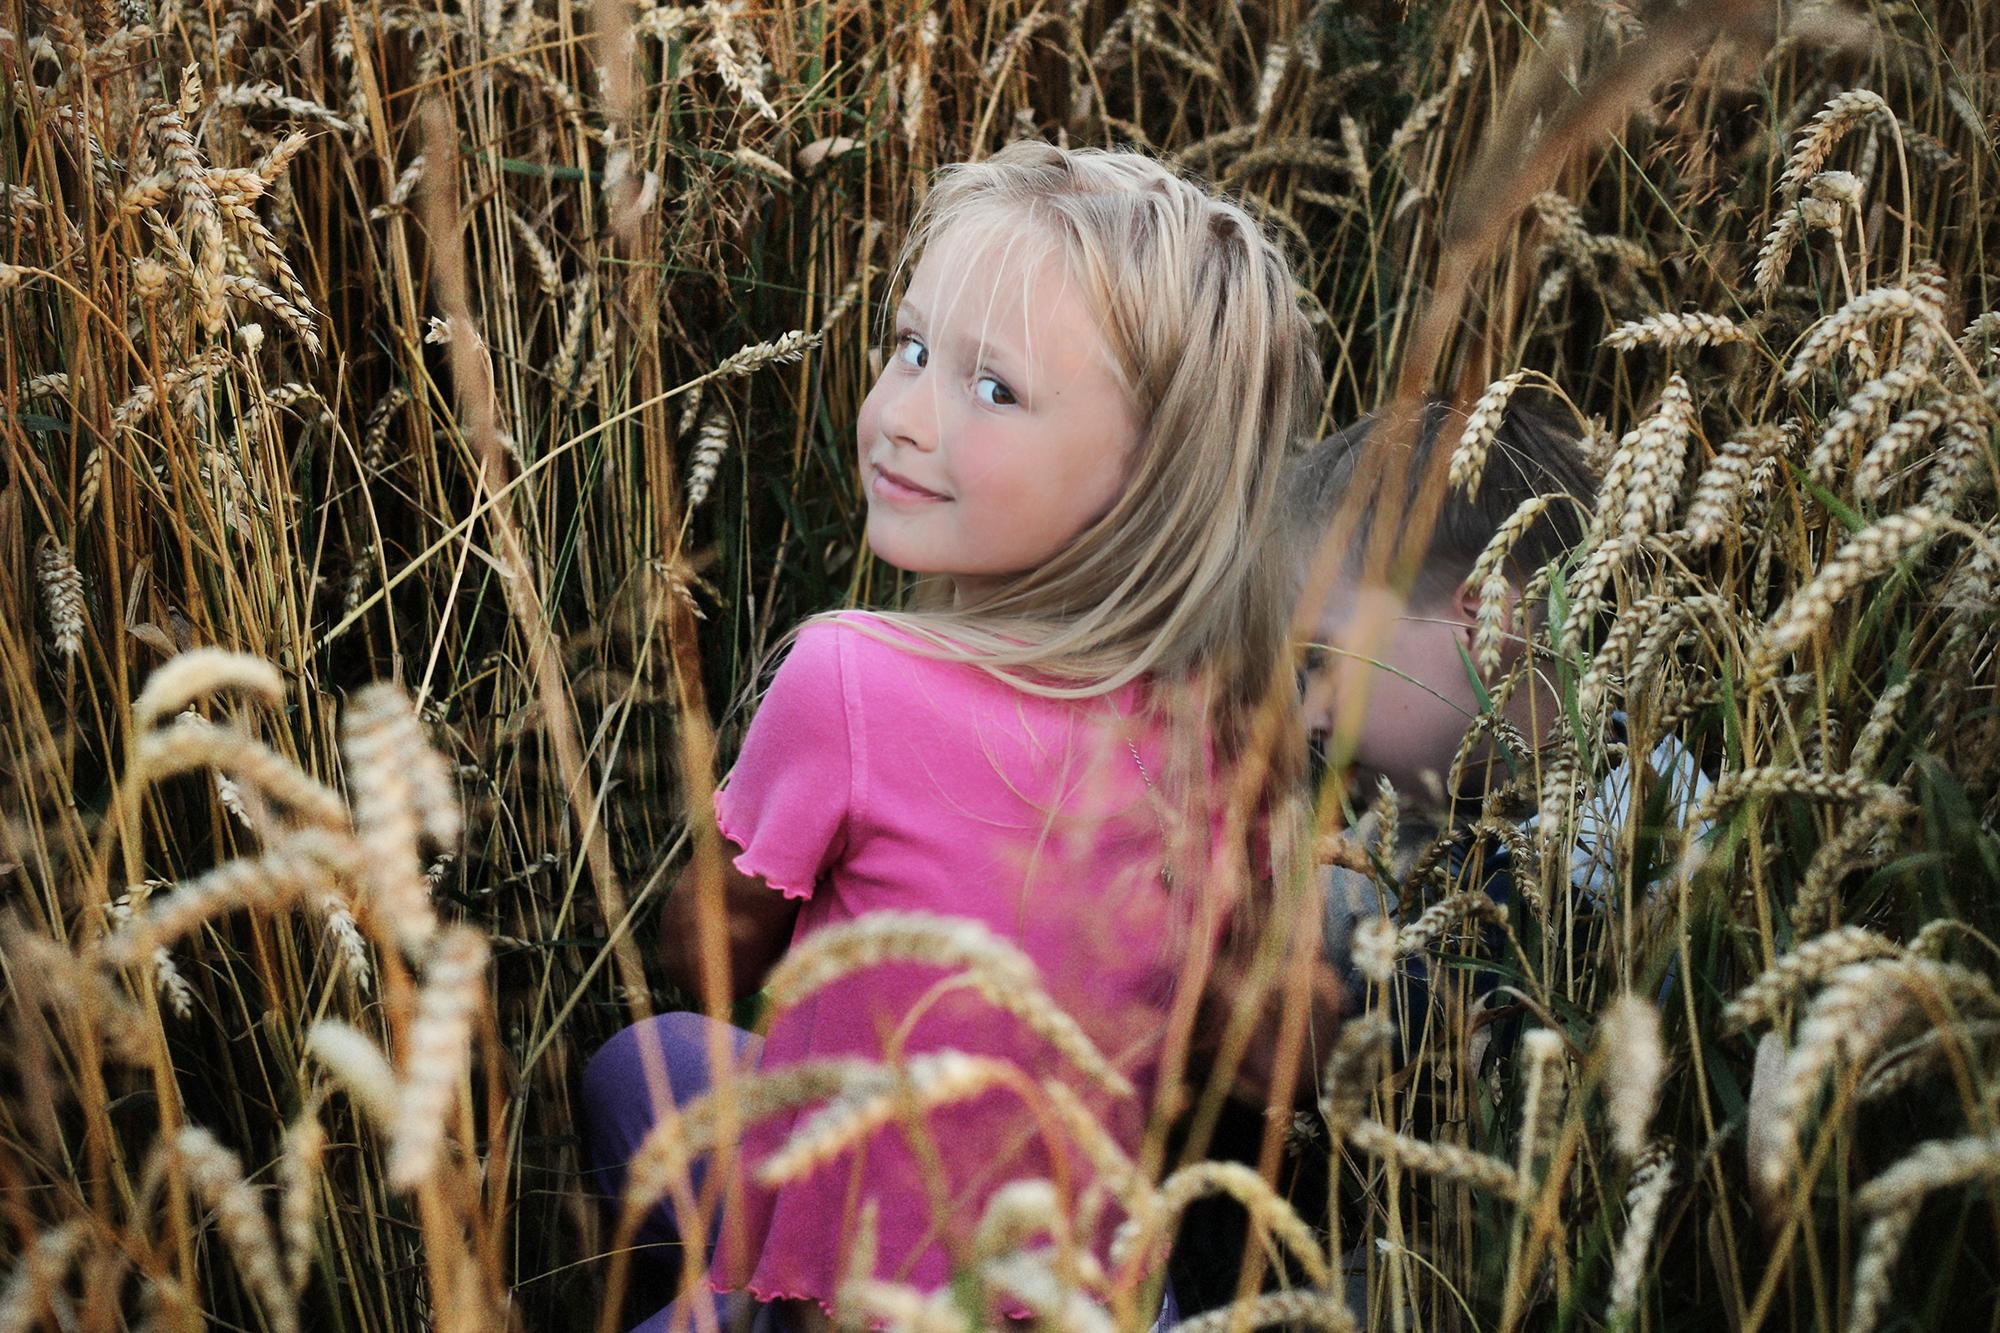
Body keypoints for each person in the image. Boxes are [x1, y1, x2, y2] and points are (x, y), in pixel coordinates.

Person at [581, 140, 1326, 1330]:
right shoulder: (1233, 738)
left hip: (839, 1296)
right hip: (1099, 1294)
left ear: (1150, 478)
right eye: (912, 348)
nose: (900, 418)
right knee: (658, 1059)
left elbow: (708, 949)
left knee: (642, 1058)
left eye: (992, 390)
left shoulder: (849, 680)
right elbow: (1246, 1051)